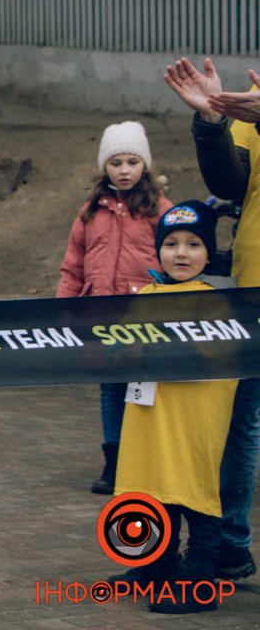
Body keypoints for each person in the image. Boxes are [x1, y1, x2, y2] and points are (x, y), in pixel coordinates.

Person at [110, 200, 237, 613]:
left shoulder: (215, 300)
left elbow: (220, 355)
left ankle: (200, 581)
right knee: (151, 489)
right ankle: (156, 568)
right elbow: (124, 350)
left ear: (209, 253)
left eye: (194, 244)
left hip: (193, 418)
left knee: (193, 491)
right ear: (158, 250)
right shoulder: (147, 294)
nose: (181, 253)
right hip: (150, 415)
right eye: (172, 244)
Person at [164, 56, 260, 580]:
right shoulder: (252, 106)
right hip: (252, 288)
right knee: (239, 420)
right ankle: (229, 543)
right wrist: (212, 121)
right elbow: (229, 183)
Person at [55, 121, 172, 495]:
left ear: (145, 165)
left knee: (143, 389)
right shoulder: (90, 211)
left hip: (144, 317)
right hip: (102, 316)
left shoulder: (160, 209)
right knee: (110, 390)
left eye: (132, 162)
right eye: (115, 162)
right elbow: (73, 265)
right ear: (104, 166)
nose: (124, 170)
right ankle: (114, 460)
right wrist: (64, 312)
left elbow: (175, 262)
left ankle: (145, 461)